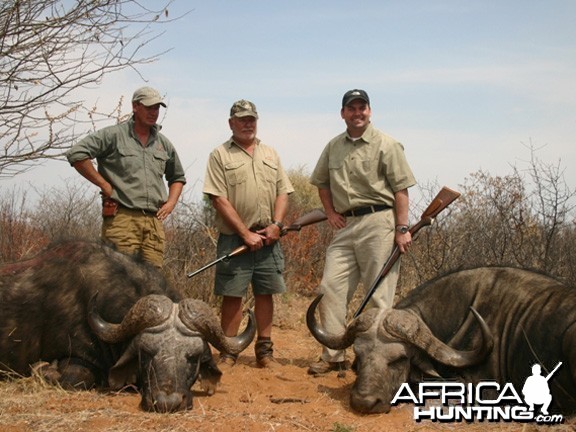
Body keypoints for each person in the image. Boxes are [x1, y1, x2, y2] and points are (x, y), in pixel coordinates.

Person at [308, 89, 416, 375]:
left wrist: (402, 228)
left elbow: (401, 189)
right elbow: (321, 182)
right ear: (343, 113)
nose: (357, 113)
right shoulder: (333, 146)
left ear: (370, 111)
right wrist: (330, 213)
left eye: (362, 107)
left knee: (378, 295)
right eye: (351, 108)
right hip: (345, 226)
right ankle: (333, 355)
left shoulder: (387, 144)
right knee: (330, 287)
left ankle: (376, 360)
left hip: (379, 223)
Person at [203, 99, 294, 369]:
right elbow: (217, 198)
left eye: (251, 119)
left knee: (266, 292)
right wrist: (245, 233)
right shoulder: (220, 155)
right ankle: (229, 352)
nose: (247, 123)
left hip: (268, 237)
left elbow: (283, 192)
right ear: (231, 123)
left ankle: (264, 353)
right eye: (242, 119)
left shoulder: (270, 153)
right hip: (235, 238)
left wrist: (277, 225)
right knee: (233, 295)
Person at [66, 86, 186, 268]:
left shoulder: (163, 143)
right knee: (119, 279)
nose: (153, 112)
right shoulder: (113, 135)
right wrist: (104, 185)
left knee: (152, 283)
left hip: (154, 222)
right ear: (135, 107)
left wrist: (171, 203)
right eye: (149, 107)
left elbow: (177, 176)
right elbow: (77, 154)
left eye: (157, 108)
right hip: (122, 218)